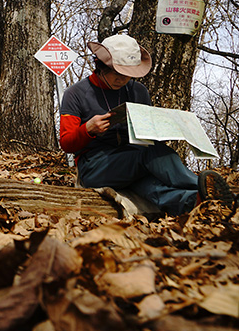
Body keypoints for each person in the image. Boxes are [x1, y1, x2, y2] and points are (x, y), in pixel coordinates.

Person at [59, 33, 232, 215]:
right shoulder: (75, 94)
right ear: (99, 65)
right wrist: (88, 130)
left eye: (128, 75)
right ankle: (204, 187)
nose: (122, 80)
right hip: (94, 166)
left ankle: (200, 202)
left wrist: (172, 125)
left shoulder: (138, 91)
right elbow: (67, 143)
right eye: (117, 73)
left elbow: (147, 134)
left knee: (152, 188)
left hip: (133, 160)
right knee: (149, 154)